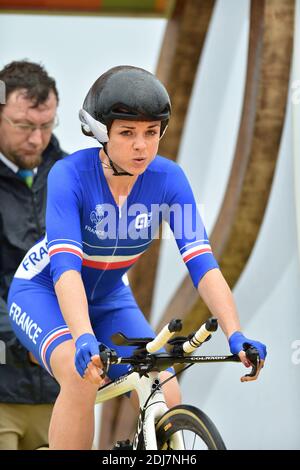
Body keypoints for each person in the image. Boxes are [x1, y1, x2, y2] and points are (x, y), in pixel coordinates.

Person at [7, 65, 267, 450]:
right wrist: (82, 337)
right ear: (101, 133)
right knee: (82, 378)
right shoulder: (69, 175)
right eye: (127, 133)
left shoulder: (169, 180)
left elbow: (203, 265)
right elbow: (65, 270)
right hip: (44, 290)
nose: (141, 146)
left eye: (151, 132)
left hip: (111, 297)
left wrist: (236, 333)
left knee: (167, 389)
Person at [0, 60, 66, 449]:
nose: (37, 139)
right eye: (24, 126)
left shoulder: (72, 174)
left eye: (47, 125)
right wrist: (30, 339)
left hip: (62, 392)